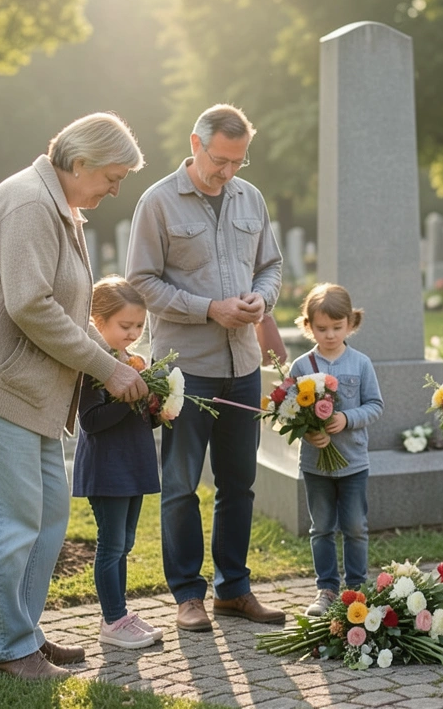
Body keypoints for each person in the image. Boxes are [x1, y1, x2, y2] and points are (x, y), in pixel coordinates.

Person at [0, 112, 149, 680]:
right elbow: (31, 304)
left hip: (27, 386)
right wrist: (107, 366)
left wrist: (112, 361)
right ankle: (5, 650)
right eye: (112, 177)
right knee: (7, 518)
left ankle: (21, 630)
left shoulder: (56, 204)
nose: (116, 189)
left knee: (47, 512)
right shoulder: (29, 203)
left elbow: (59, 303)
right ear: (79, 163)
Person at [126, 103, 286, 632]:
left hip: (242, 365)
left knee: (239, 484)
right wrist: (209, 309)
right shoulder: (157, 202)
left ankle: (234, 591)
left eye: (239, 161)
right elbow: (142, 282)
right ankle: (187, 596)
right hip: (184, 371)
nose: (228, 172)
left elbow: (271, 264)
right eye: (221, 159)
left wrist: (261, 299)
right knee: (180, 484)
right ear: (196, 144)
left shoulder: (251, 197)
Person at [73, 276, 164, 649]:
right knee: (111, 545)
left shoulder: (135, 361)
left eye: (139, 326)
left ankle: (121, 614)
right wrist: (127, 398)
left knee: (125, 543)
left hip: (134, 464)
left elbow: (140, 418)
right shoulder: (96, 366)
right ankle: (112, 620)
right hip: (107, 468)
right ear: (98, 323)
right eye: (124, 326)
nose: (133, 333)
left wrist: (158, 407)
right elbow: (90, 421)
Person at [287, 283, 384, 616]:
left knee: (355, 526)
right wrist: (309, 434)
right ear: (308, 326)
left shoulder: (360, 363)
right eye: (321, 328)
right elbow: (289, 412)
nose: (329, 335)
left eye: (337, 327)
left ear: (351, 324)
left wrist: (346, 418)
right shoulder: (301, 366)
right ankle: (326, 589)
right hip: (316, 465)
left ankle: (357, 589)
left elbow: (375, 405)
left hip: (354, 462)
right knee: (322, 526)